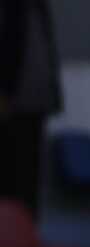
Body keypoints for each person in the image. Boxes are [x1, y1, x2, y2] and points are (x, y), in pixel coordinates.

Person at [0, 0, 61, 216]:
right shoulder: (24, 8)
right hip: (21, 101)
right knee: (18, 176)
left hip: (28, 102)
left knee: (23, 177)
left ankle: (22, 226)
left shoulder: (34, 8)